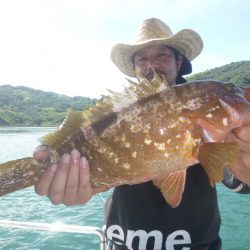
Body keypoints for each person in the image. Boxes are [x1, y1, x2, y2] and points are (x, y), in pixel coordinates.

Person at [34, 18, 250, 249]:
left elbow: (235, 177)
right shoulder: (117, 112)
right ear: (135, 67)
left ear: (179, 61)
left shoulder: (202, 105)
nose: (151, 65)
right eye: (142, 58)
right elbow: (75, 131)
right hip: (120, 241)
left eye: (161, 55)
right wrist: (55, 165)